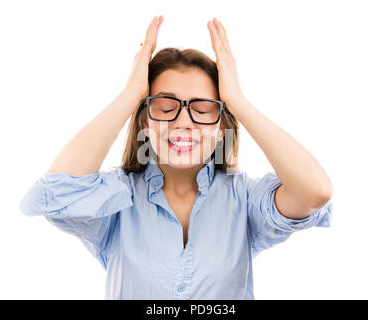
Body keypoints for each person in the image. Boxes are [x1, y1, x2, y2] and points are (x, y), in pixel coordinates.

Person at [19, 15, 334, 300]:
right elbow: (57, 192)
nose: (183, 121)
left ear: (223, 127)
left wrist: (237, 101)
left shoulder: (245, 198)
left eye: (203, 109)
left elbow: (314, 191)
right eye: (166, 107)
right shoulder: (116, 197)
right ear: (145, 122)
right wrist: (131, 95)